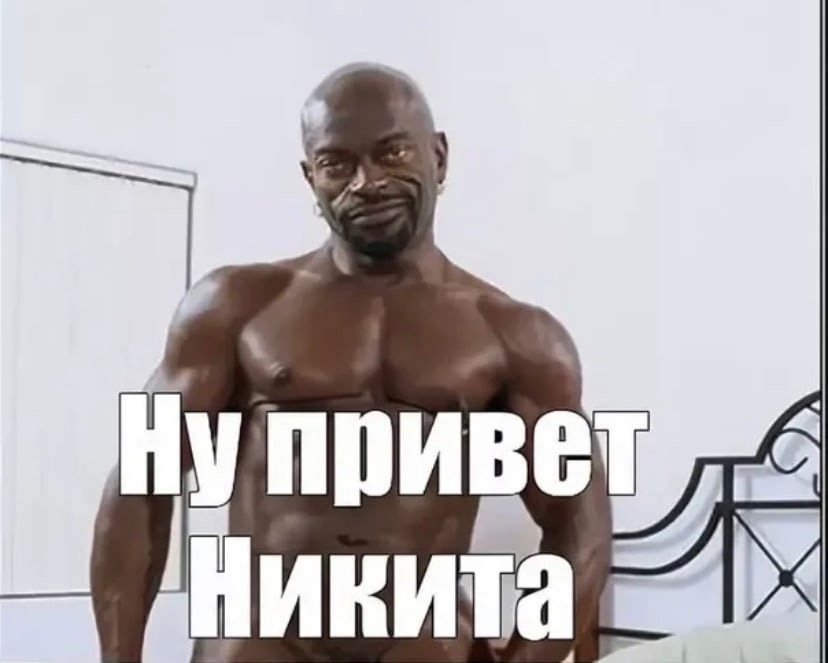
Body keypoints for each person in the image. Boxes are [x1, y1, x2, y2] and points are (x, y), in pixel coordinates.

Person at [90, 62, 612, 663]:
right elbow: (140, 484)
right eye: (337, 163)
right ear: (310, 176)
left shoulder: (515, 334)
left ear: (439, 157)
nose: (367, 182)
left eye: (392, 153)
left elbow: (579, 526)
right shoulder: (237, 306)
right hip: (265, 636)